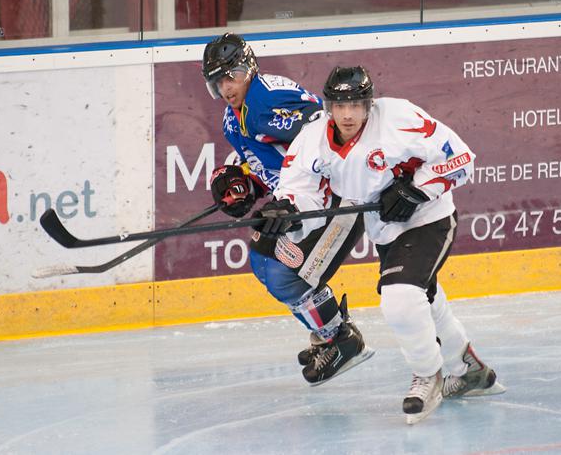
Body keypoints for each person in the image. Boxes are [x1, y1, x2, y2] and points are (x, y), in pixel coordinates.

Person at [254, 66, 504, 424]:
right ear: (328, 107)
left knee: (400, 299)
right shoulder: (312, 139)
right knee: (423, 297)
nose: (348, 113)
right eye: (339, 105)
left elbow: (461, 158)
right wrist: (287, 212)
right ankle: (469, 370)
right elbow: (302, 193)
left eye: (356, 104)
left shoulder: (399, 118)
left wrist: (417, 189)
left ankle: (427, 375)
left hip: (428, 218)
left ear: (368, 103)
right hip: (385, 230)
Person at [202, 33, 375, 385]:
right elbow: (273, 161)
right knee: (266, 260)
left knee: (277, 266)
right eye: (218, 80)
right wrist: (243, 181)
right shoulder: (233, 119)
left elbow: (324, 133)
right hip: (306, 200)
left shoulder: (264, 102)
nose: (225, 87)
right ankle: (328, 332)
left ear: (247, 68)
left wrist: (296, 197)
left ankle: (342, 339)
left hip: (337, 200)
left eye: (230, 75)